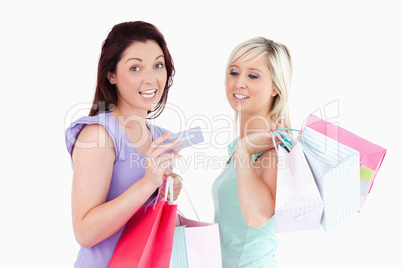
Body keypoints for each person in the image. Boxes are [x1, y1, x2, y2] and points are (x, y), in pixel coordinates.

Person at [65, 21, 183, 267]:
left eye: (158, 65)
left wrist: (166, 193)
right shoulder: (99, 134)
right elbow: (84, 232)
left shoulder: (163, 138)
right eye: (135, 68)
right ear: (111, 75)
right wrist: (147, 184)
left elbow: (147, 226)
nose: (150, 79)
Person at [212, 37, 293, 267]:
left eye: (253, 75)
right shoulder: (238, 147)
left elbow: (257, 217)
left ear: (276, 87)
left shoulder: (275, 149)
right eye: (234, 72)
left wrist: (245, 150)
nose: (239, 83)